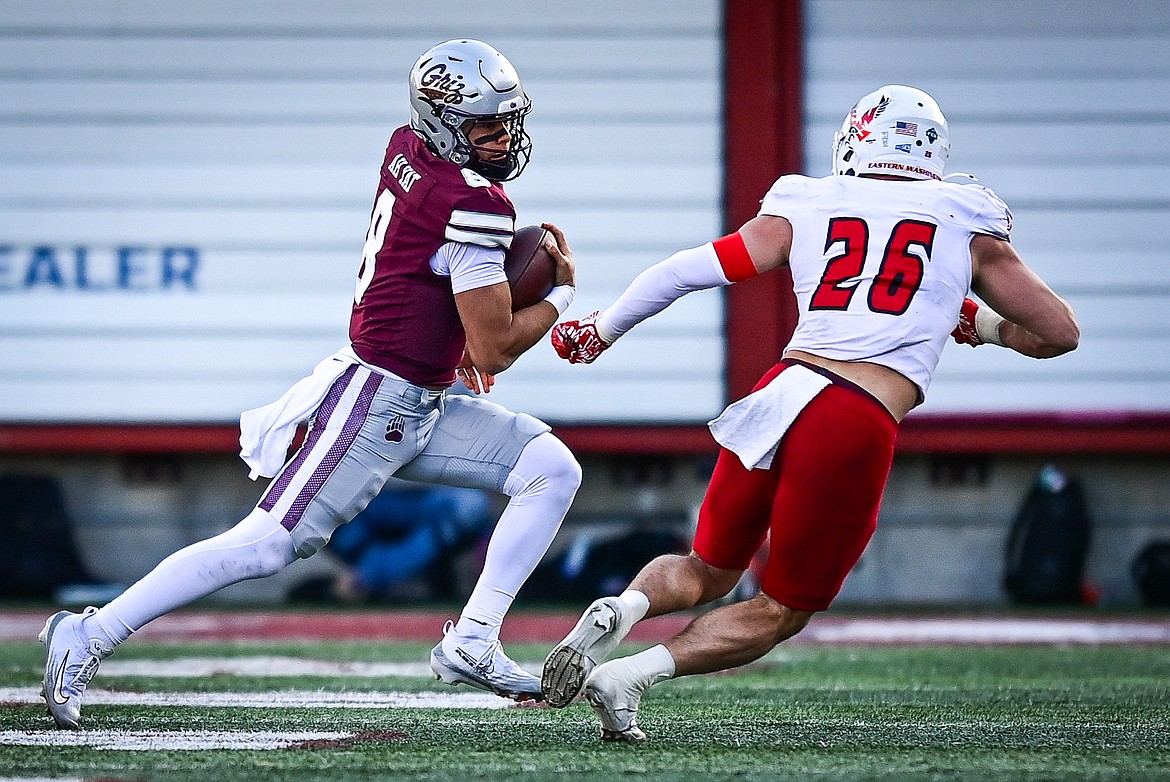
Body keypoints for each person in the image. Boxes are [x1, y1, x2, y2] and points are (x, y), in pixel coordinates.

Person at [39, 38, 582, 729]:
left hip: (422, 395)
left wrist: (453, 339)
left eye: (507, 121)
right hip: (376, 401)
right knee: (267, 544)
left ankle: (473, 639)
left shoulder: (406, 150)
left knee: (550, 470)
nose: (502, 137)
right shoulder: (474, 203)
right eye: (484, 125)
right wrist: (560, 293)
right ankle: (87, 634)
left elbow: (430, 281)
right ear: (444, 123)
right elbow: (495, 346)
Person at [540, 84, 1079, 742]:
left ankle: (623, 609)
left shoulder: (811, 200)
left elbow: (687, 270)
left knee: (707, 568)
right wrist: (985, 325)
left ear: (858, 139)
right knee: (783, 608)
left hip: (780, 393)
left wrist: (603, 328)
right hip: (854, 415)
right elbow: (1059, 332)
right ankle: (630, 675)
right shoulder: (964, 214)